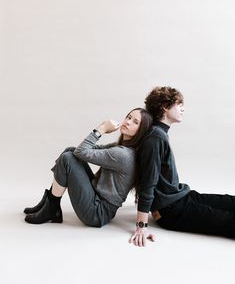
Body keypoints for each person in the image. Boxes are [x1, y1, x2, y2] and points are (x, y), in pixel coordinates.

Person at [129, 86, 235, 247]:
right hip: (171, 211)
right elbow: (147, 183)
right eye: (179, 104)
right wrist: (141, 225)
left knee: (230, 201)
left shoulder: (159, 133)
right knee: (228, 221)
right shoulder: (155, 138)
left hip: (180, 196)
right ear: (165, 106)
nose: (183, 109)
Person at [24, 108, 153, 228]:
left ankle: (52, 207)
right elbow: (82, 151)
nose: (128, 122)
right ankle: (50, 203)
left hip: (97, 212)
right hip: (96, 197)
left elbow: (82, 152)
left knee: (67, 158)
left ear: (140, 131)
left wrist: (101, 129)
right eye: (129, 117)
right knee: (70, 151)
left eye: (135, 122)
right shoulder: (120, 147)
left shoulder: (123, 155)